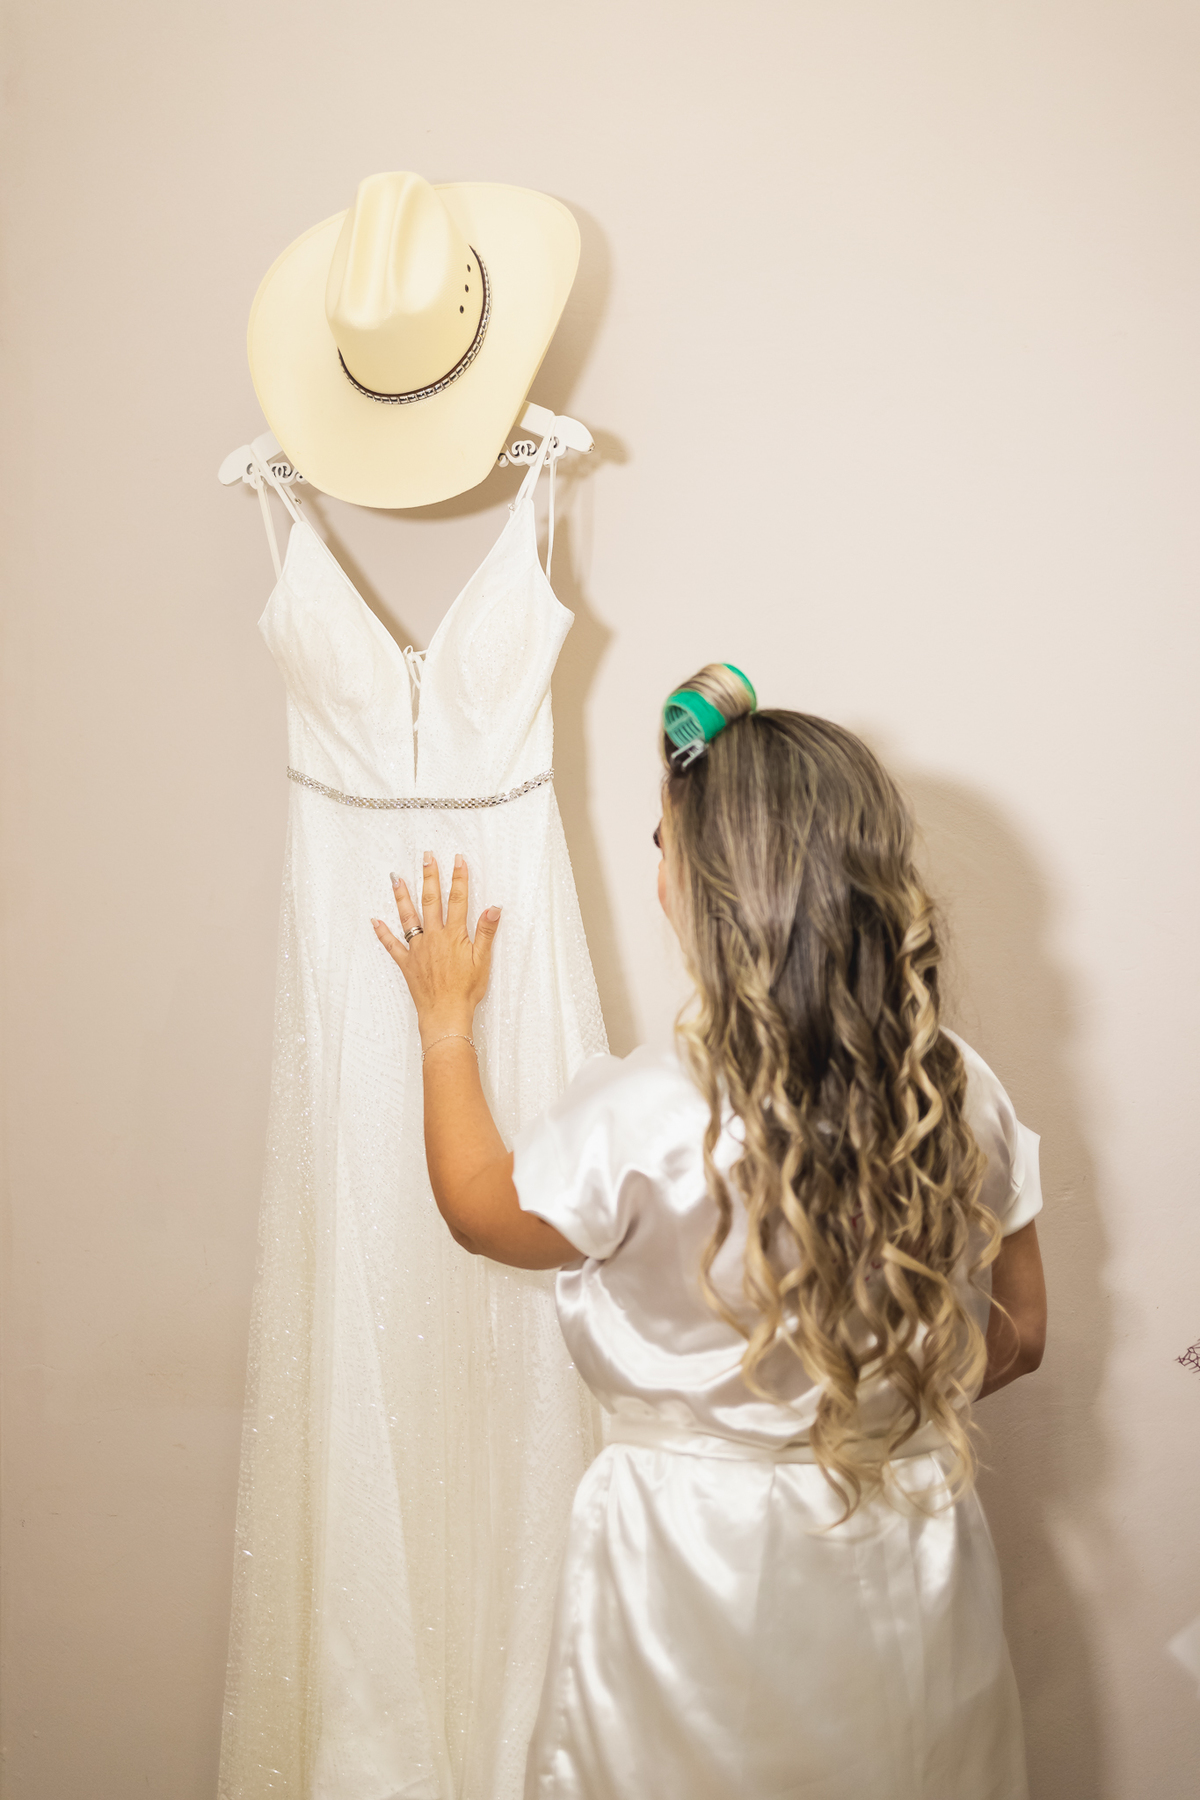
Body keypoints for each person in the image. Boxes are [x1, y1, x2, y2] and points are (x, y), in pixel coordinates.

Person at [371, 663, 1046, 1800]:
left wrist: (445, 1024)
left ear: (711, 888)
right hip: (908, 1538)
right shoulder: (956, 1089)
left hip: (695, 1564)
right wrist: (873, 1398)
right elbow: (1022, 1333)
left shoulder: (650, 1108)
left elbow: (480, 1209)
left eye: (661, 845)